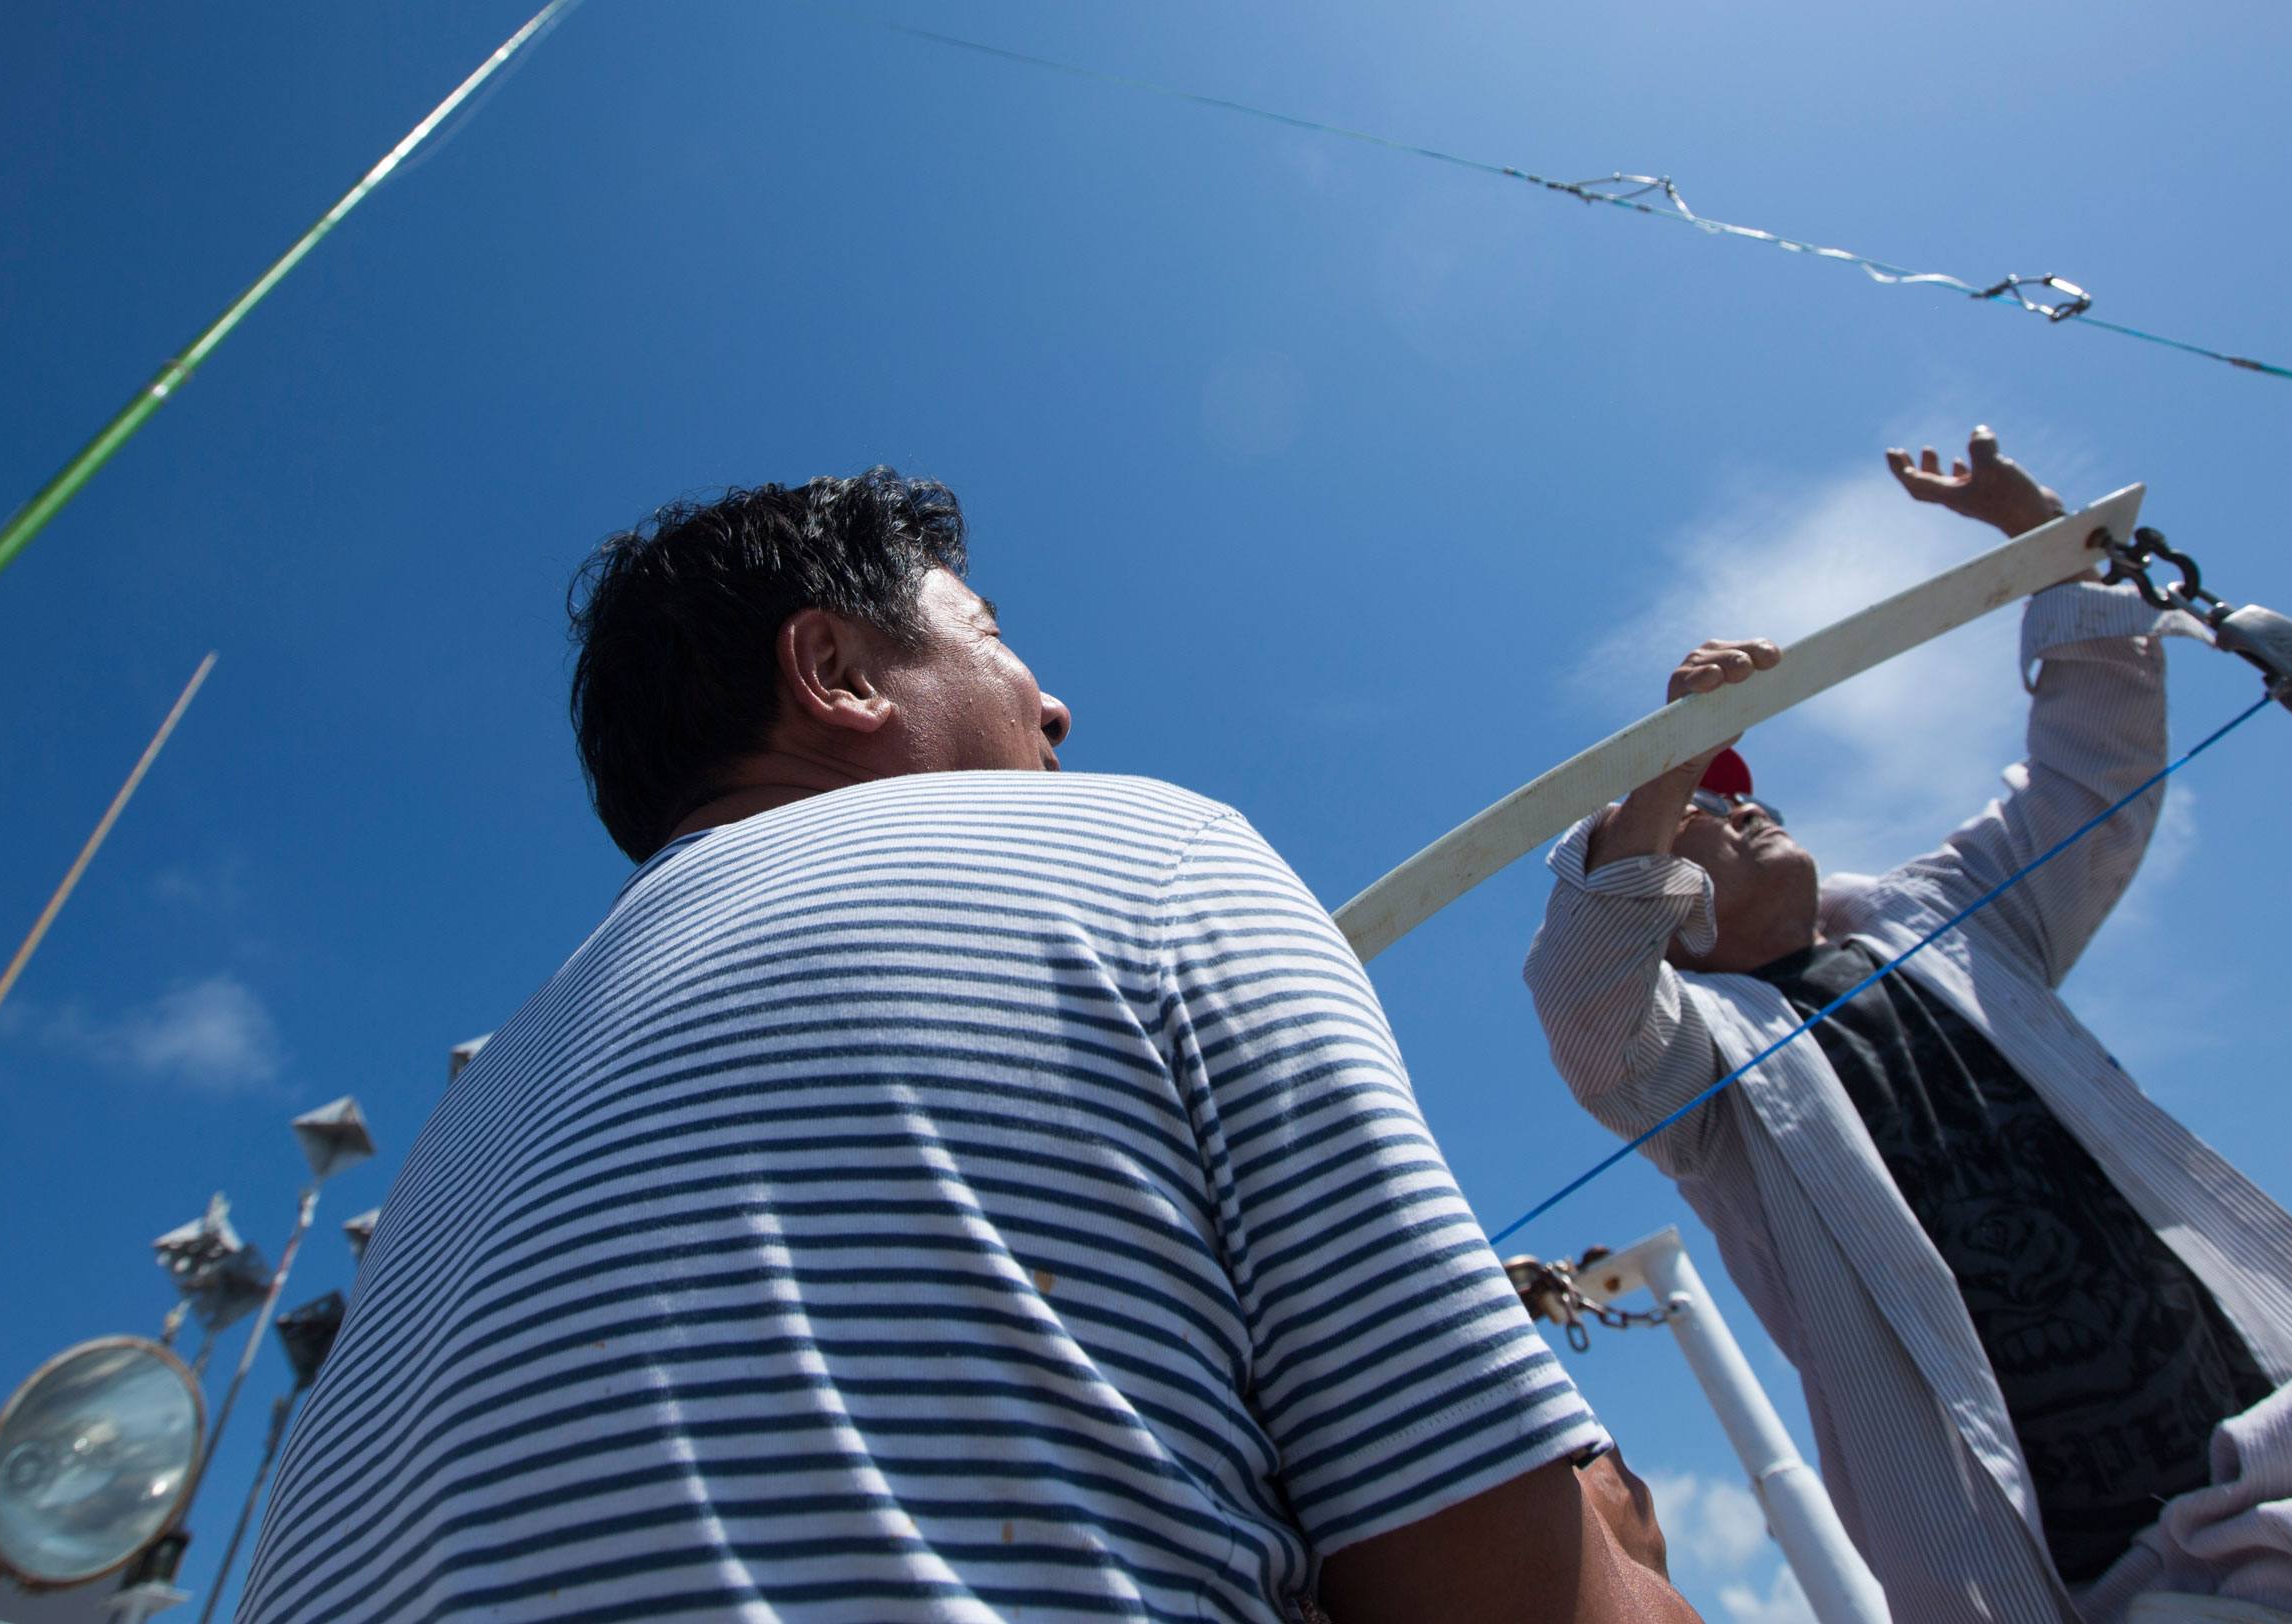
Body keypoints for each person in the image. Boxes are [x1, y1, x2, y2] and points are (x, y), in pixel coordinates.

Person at [237, 469, 1698, 1624]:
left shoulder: (467, 1120)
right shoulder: (1145, 856)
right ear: (837, 671)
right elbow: (1510, 1590)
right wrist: (1625, 1548)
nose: (1053, 701)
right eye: (992, 637)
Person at [1525, 429, 2292, 1624]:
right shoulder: (1692, 1071)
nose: (1746, 805)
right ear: (1665, 910)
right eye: (1708, 804)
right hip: (2070, 1572)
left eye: (1741, 788)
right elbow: (1587, 1000)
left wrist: (2044, 543)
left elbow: (2086, 781)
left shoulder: (1948, 918)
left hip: (2273, 1466)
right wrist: (1659, 775)